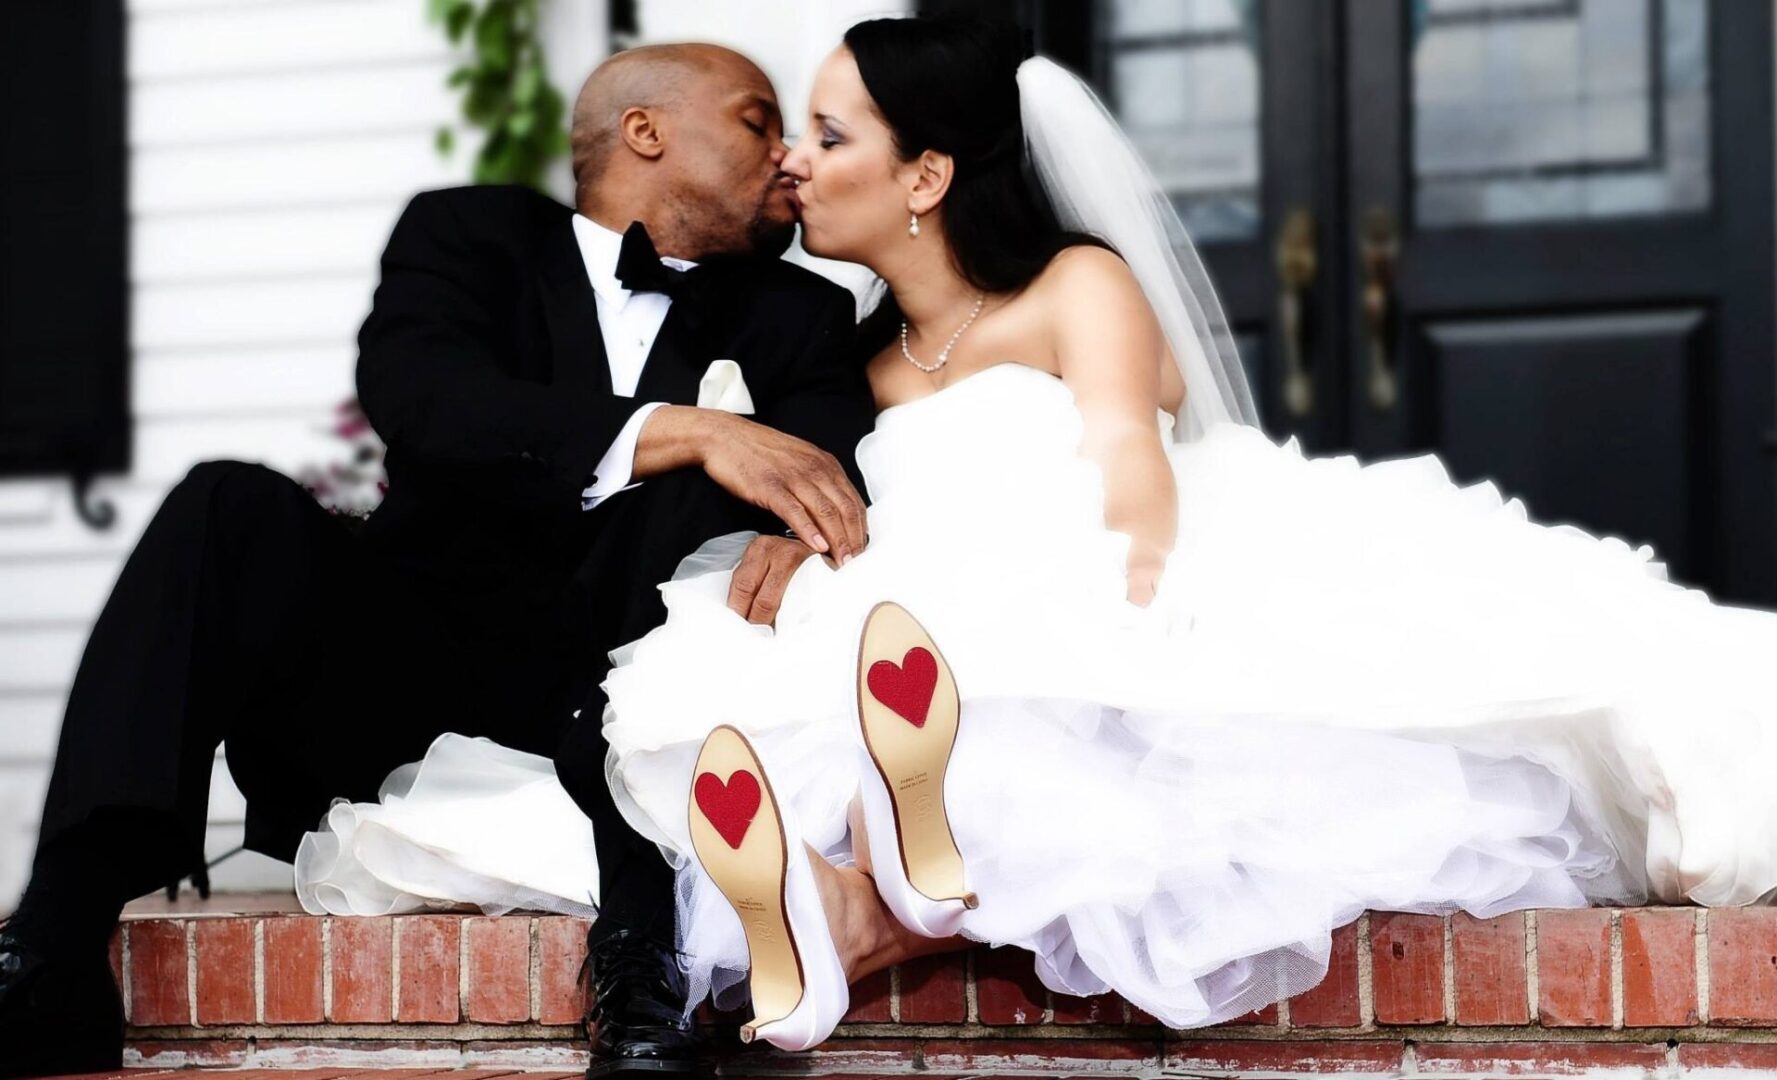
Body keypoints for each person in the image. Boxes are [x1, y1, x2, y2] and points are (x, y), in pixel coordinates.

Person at [297, 11, 1777, 1058]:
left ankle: (855, 902)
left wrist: (1128, 609)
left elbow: (1132, 463)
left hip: (1108, 581)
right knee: (843, 702)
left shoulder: (1075, 288)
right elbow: (837, 487)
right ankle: (853, 896)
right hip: (927, 623)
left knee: (1042, 724)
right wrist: (804, 536)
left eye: (825, 131)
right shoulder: (853, 359)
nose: (797, 164)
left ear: (928, 174)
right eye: (787, 131)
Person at [0, 43, 878, 1080]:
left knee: (698, 540)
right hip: (411, 666)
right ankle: (52, 944)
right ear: (646, 131)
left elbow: (821, 466)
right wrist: (686, 427)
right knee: (224, 503)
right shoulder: (468, 238)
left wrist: (777, 513)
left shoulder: (799, 316)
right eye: (754, 119)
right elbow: (428, 402)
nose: (785, 153)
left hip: (623, 689)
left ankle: (644, 963)